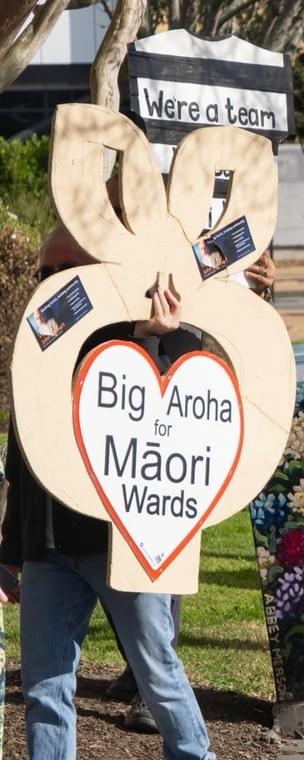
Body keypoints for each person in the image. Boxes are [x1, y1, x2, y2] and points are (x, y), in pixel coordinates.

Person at [2, 226, 215, 760]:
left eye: (65, 272)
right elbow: (19, 453)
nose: (51, 284)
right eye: (43, 273)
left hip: (120, 542)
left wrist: (149, 335)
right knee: (45, 688)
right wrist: (8, 554)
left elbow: (164, 415)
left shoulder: (152, 332)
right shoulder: (36, 347)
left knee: (157, 672)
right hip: (47, 550)